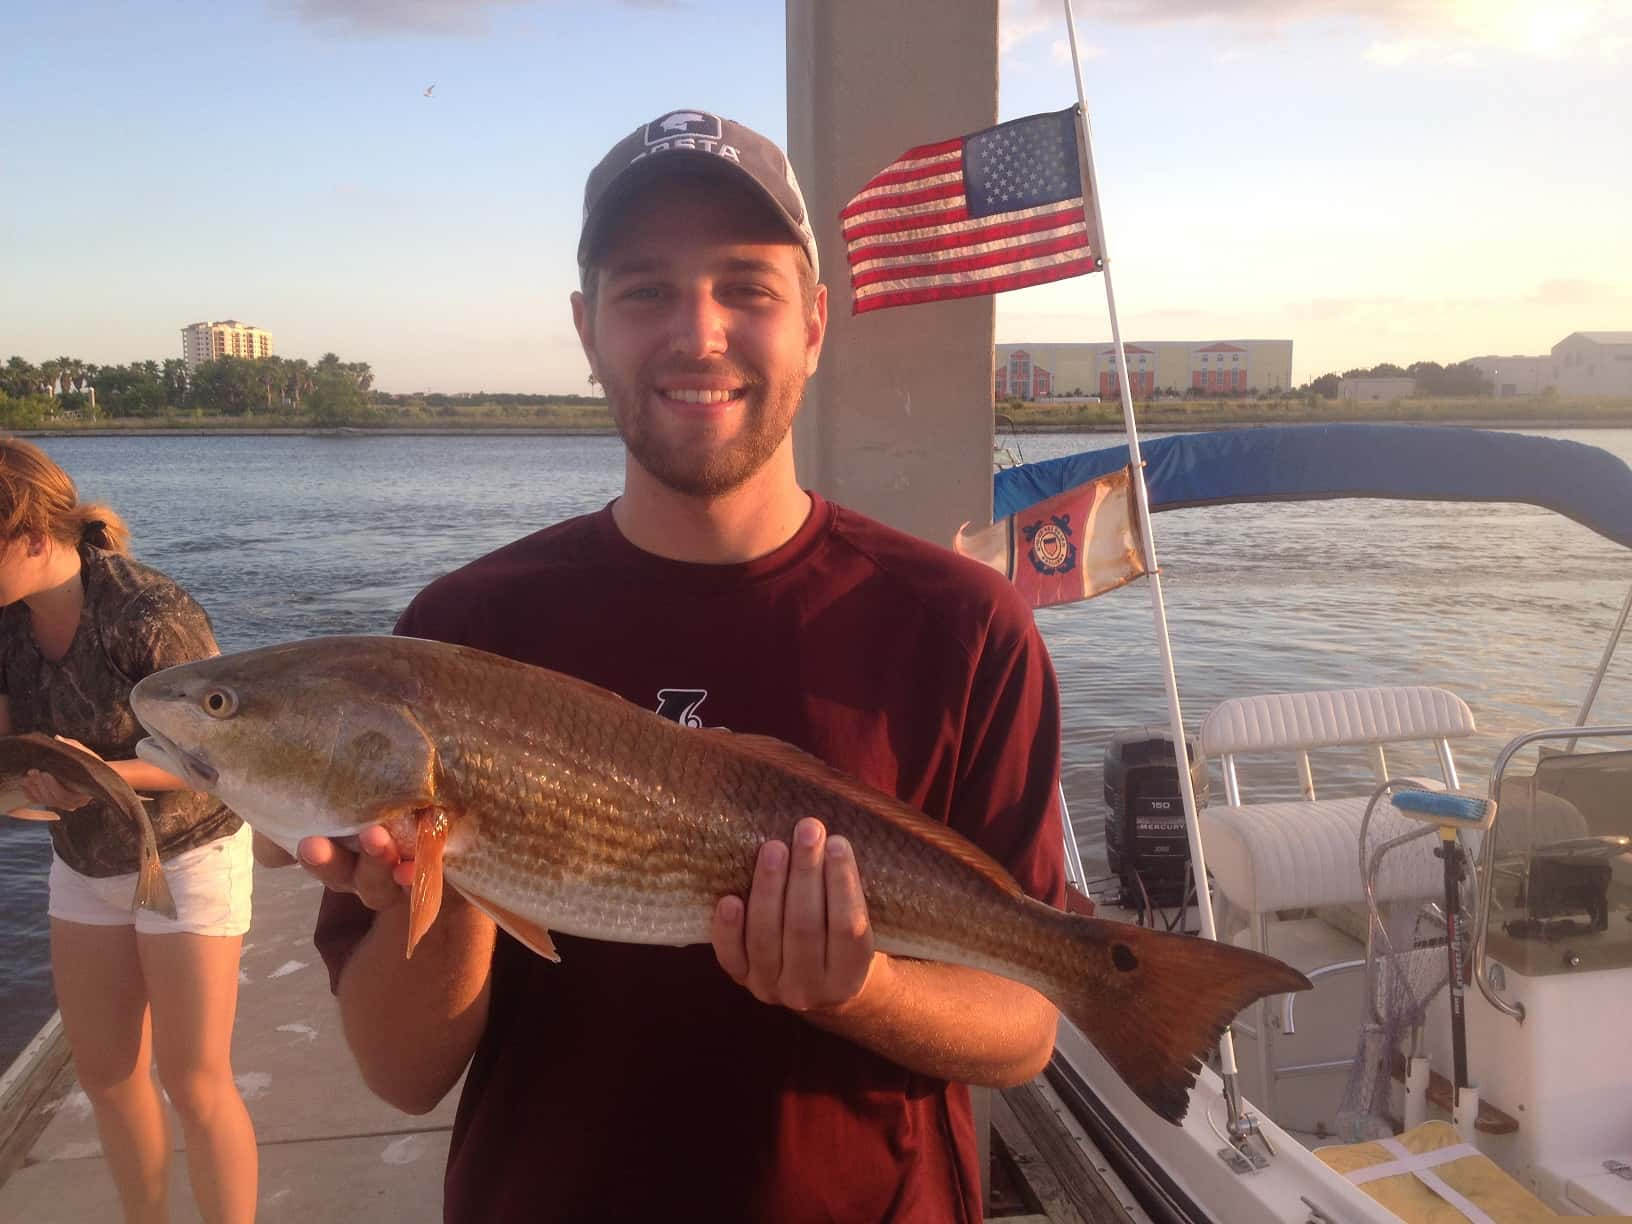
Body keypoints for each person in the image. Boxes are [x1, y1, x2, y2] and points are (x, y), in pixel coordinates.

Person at [297, 109, 1066, 1222]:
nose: (698, 333)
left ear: (814, 322)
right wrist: (458, 857)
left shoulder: (963, 625)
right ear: (587, 327)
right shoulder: (458, 634)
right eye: (645, 289)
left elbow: (1028, 1025)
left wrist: (862, 987)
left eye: (747, 288)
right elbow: (400, 1070)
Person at [0, 438, 257, 1224]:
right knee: (109, 1076)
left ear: (35, 537)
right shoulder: (7, 627)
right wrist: (31, 779)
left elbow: (225, 760)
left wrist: (96, 771)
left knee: (195, 1081)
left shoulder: (150, 614)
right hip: (84, 859)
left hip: (188, 852)